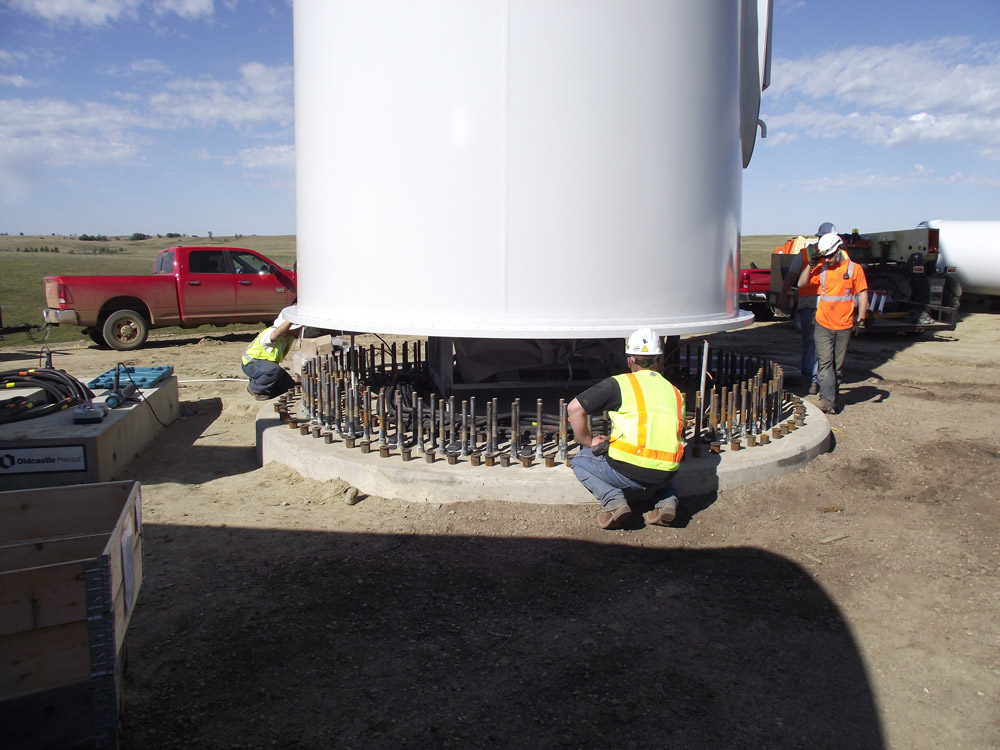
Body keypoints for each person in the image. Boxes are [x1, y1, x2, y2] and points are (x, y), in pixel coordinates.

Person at [567, 328, 686, 530]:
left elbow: (574, 408)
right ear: (660, 359)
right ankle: (667, 502)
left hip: (628, 471)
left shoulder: (619, 384)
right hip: (667, 472)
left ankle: (614, 503)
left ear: (630, 361)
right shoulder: (675, 392)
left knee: (579, 461)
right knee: (659, 464)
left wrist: (588, 441)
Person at [798, 232, 868, 414]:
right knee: (825, 363)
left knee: (837, 367)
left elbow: (862, 293)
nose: (827, 259)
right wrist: (809, 265)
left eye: (829, 256)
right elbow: (801, 283)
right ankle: (826, 400)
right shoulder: (821, 269)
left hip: (844, 325)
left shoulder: (854, 269)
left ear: (839, 250)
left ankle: (832, 401)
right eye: (825, 256)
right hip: (822, 324)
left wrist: (861, 318)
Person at [778, 221, 837, 394]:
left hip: (817, 304)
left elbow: (790, 276)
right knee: (817, 342)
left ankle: (812, 377)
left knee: (812, 342)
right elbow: (792, 276)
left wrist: (783, 296)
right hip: (818, 304)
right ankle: (812, 377)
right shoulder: (810, 254)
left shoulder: (806, 254)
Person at [241, 313, 301, 400]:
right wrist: (291, 319)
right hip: (251, 364)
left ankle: (264, 385)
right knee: (274, 370)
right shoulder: (270, 333)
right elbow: (276, 334)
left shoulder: (288, 337)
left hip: (264, 366)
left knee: (289, 386)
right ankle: (255, 388)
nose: (299, 330)